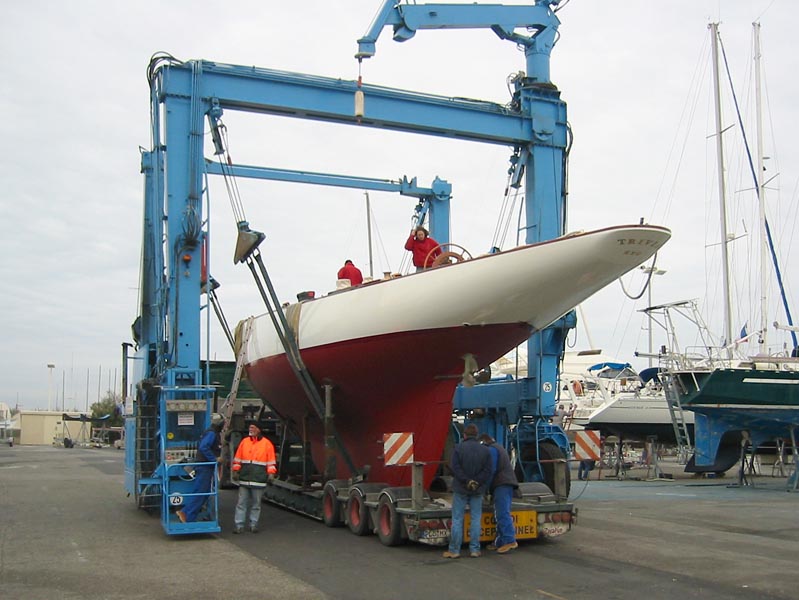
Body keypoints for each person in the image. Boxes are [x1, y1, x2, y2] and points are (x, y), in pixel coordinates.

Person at [443, 423, 492, 559]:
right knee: (476, 519)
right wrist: (476, 482)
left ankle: (454, 550)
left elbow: (455, 468)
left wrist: (467, 480)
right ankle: (475, 550)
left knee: (457, 519)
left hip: (461, 488)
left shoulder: (458, 448)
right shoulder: (485, 450)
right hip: (477, 489)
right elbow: (488, 470)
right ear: (476, 435)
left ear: (464, 435)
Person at [176, 413, 224, 523]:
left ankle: (186, 513)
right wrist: (214, 459)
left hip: (204, 466)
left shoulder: (211, 432)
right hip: (205, 466)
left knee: (202, 492)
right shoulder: (212, 434)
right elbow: (204, 447)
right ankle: (187, 515)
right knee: (201, 492)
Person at [231, 422, 277, 534]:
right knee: (241, 503)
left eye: (253, 427)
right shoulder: (244, 442)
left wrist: (271, 474)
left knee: (256, 504)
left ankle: (253, 524)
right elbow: (238, 458)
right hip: (245, 478)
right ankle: (239, 525)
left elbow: (271, 462)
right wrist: (236, 471)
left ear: (258, 429)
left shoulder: (267, 444)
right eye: (250, 427)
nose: (250, 429)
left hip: (258, 479)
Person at [478, 434, 519, 554]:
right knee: (499, 513)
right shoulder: (498, 447)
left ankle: (509, 540)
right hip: (505, 483)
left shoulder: (491, 450)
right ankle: (499, 542)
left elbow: (491, 470)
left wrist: (485, 488)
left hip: (502, 484)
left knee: (502, 512)